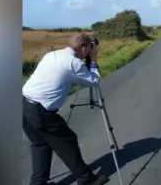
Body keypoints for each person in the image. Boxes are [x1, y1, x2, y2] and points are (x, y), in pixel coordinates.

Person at [22, 33, 109, 185]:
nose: (90, 51)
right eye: (89, 48)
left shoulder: (52, 55)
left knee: (40, 145)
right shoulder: (74, 63)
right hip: (41, 111)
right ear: (83, 49)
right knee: (67, 141)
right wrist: (93, 60)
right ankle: (86, 179)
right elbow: (94, 81)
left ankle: (38, 183)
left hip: (24, 105)